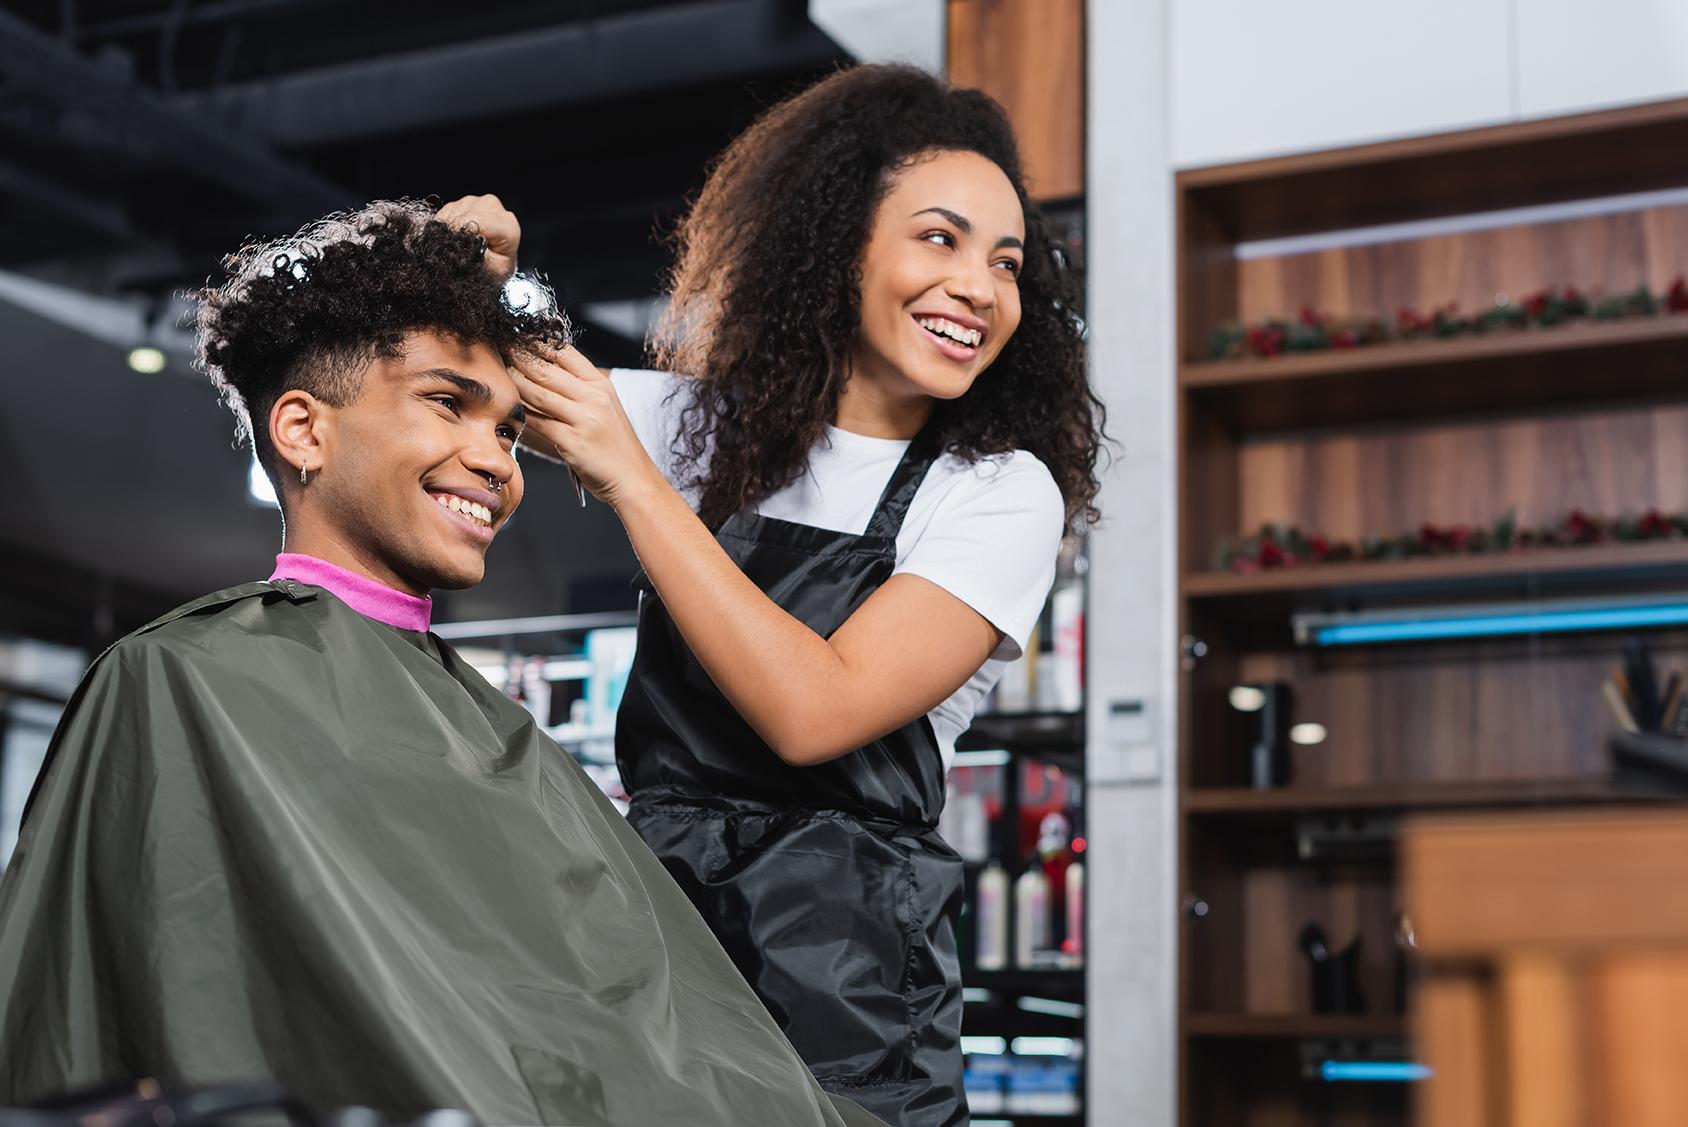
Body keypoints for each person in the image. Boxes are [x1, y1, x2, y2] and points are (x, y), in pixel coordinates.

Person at [0, 200, 883, 1127]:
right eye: (446, 404)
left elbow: (629, 1033)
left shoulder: (491, 730)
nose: (497, 461)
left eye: (507, 430)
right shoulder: (179, 684)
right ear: (303, 431)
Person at [465, 63, 1106, 1127]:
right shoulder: (693, 424)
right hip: (658, 938)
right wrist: (462, 273)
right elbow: (457, 375)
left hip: (848, 987)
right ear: (833, 240)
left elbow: (816, 709)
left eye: (1006, 263)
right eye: (938, 239)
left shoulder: (996, 491)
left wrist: (631, 476)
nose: (981, 289)